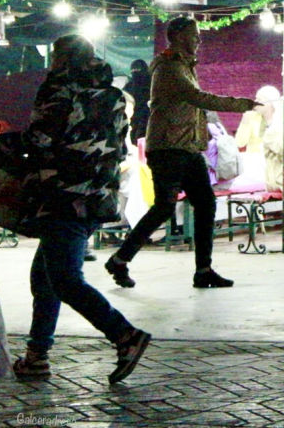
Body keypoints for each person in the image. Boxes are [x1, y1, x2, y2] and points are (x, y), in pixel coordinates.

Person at [1, 34, 152, 384]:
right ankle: (37, 356)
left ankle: (124, 335)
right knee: (46, 279)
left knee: (66, 280)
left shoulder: (58, 91)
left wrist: (8, 141)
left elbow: (38, 141)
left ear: (62, 59)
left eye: (55, 56)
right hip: (98, 198)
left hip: (64, 196)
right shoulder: (115, 96)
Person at [105, 17, 258, 290]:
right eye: (193, 35)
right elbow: (198, 98)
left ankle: (204, 269)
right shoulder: (168, 68)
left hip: (187, 148)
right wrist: (242, 104)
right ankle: (120, 258)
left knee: (205, 203)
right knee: (164, 206)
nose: (198, 40)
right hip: (167, 148)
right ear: (176, 37)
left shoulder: (184, 66)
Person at [124, 59, 151, 145]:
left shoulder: (152, 84)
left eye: (138, 70)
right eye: (134, 71)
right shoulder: (130, 85)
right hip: (136, 119)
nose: (136, 73)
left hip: (148, 119)